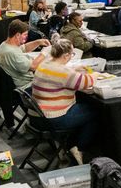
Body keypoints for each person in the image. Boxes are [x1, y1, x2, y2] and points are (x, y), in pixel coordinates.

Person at [31, 36, 97, 164]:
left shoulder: (45, 64)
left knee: (83, 108)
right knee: (96, 112)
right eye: (72, 54)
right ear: (66, 55)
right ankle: (78, 148)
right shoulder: (62, 71)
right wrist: (95, 75)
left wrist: (73, 70)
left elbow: (61, 75)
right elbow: (85, 82)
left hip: (38, 115)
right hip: (53, 118)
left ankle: (68, 144)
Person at [0, 20, 50, 89]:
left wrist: (38, 42)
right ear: (17, 35)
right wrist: (45, 52)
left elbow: (24, 48)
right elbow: (33, 67)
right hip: (26, 86)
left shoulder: (5, 45)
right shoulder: (11, 52)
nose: (26, 37)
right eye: (25, 34)